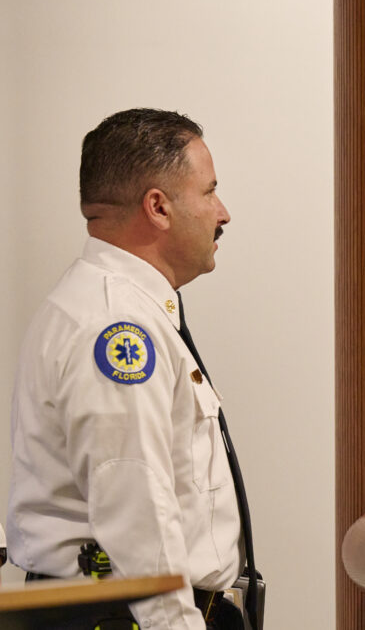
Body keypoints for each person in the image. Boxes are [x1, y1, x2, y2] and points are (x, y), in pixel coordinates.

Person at [7, 108, 255, 628]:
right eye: (209, 192)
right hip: (127, 617)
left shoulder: (119, 307)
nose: (223, 212)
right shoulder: (114, 326)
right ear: (158, 207)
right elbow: (136, 508)